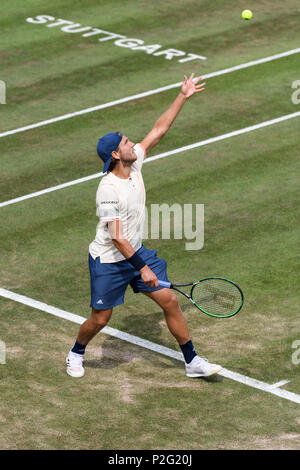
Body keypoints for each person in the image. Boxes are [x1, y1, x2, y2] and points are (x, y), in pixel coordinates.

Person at [66, 73, 222, 379]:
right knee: (100, 319)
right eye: (125, 142)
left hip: (135, 253)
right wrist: (143, 268)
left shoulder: (133, 162)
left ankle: (192, 362)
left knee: (170, 301)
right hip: (109, 261)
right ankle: (76, 352)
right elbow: (116, 238)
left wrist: (183, 96)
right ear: (115, 155)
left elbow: (159, 129)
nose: (131, 143)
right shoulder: (108, 189)